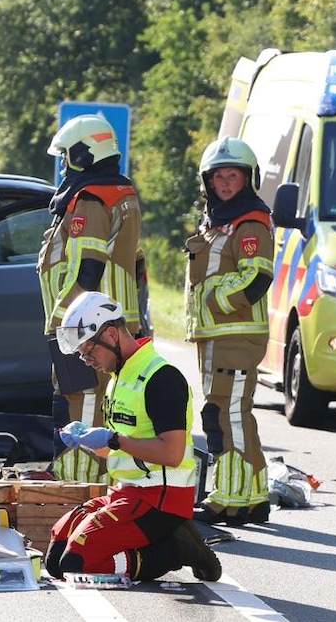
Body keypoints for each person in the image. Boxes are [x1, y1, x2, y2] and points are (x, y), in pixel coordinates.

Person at [45, 291, 222, 582]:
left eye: (89, 352)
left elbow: (172, 454)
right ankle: (163, 541)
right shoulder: (120, 377)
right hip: (126, 492)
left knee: (78, 561)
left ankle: (175, 549)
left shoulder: (162, 378)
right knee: (56, 558)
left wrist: (114, 439)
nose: (87, 361)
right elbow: (119, 450)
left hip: (161, 500)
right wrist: (89, 441)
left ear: (112, 334)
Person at [38, 114, 142, 483]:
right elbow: (136, 264)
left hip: (85, 322)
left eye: (67, 156)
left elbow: (87, 270)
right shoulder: (122, 194)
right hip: (108, 319)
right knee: (103, 402)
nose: (64, 164)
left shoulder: (93, 199)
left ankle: (77, 482)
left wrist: (61, 323)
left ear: (84, 154)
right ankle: (95, 479)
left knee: (80, 400)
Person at [183, 137, 275, 525]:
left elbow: (257, 278)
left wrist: (211, 302)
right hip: (219, 337)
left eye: (232, 176)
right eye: (217, 176)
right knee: (231, 413)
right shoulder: (219, 221)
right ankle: (252, 496)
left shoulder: (250, 221)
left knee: (227, 415)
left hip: (235, 336)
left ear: (247, 178)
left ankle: (232, 499)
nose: (223, 183)